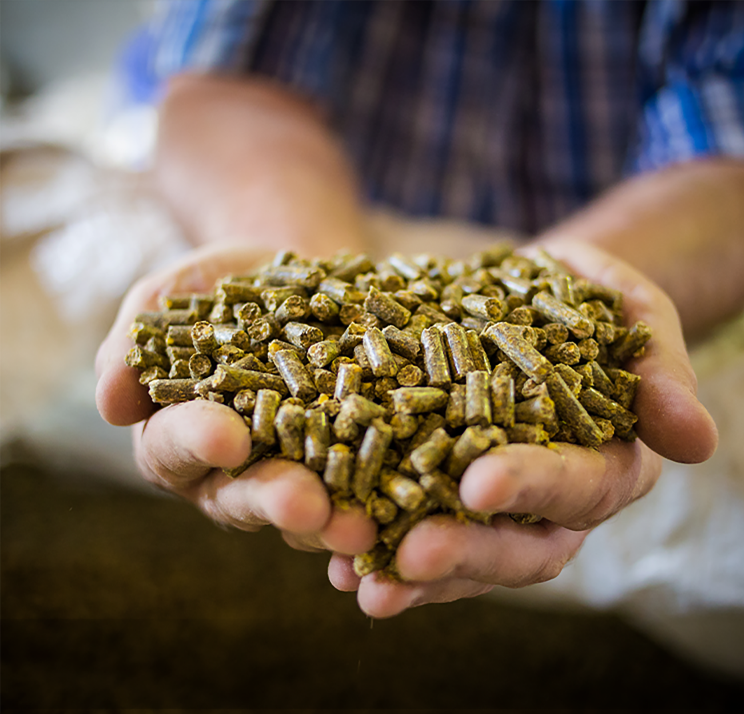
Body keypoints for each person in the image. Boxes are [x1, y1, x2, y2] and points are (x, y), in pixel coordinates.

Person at [97, 0, 741, 625]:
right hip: (301, 204)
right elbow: (226, 86)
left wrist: (568, 291)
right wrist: (302, 266)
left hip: (620, 233)